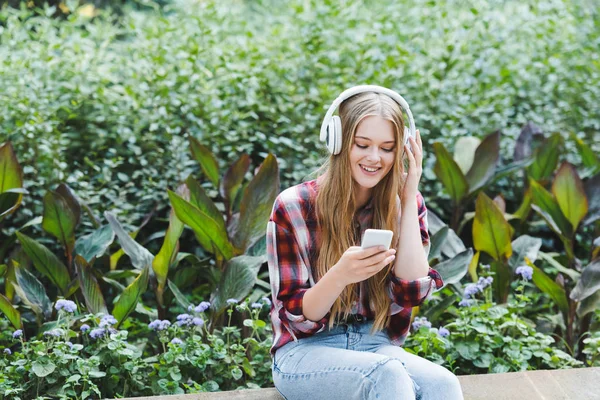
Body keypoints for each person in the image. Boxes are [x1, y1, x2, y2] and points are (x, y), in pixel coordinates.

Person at [266, 85, 464, 400]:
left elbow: (411, 290)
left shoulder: (404, 204)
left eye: (387, 148)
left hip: (374, 343)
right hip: (303, 352)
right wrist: (340, 275)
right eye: (363, 144)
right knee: (385, 375)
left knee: (443, 384)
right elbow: (298, 319)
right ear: (338, 140)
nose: (375, 158)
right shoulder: (293, 206)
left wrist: (409, 193)